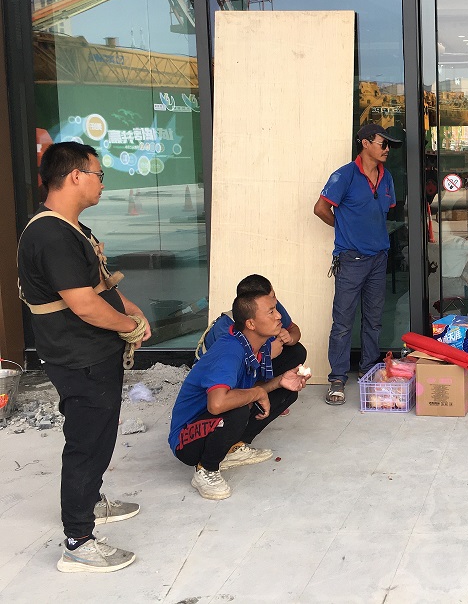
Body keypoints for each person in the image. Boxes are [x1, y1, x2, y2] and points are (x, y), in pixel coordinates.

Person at [16, 141, 151, 573]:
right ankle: (77, 540)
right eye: (99, 175)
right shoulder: (51, 235)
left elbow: (98, 286)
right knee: (87, 443)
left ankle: (89, 500)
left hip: (94, 351)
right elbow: (85, 305)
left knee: (99, 435)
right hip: (79, 356)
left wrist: (130, 310)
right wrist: (128, 326)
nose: (102, 185)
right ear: (76, 175)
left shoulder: (71, 228)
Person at [169, 288, 310, 500]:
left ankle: (232, 449)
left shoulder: (257, 345)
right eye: (271, 312)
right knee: (238, 409)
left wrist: (279, 381)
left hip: (213, 421)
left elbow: (248, 392)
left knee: (285, 392)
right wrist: (257, 392)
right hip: (186, 440)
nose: (279, 316)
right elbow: (217, 404)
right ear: (251, 324)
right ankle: (206, 469)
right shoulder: (229, 351)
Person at [314, 123, 402, 405]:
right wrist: (344, 229)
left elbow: (384, 212)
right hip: (351, 259)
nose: (387, 149)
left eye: (389, 145)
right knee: (343, 322)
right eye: (382, 143)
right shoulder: (345, 175)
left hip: (379, 257)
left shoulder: (386, 177)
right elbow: (320, 208)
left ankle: (368, 369)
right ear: (365, 143)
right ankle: (337, 379)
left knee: (374, 320)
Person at [198, 274, 306, 380]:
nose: (278, 315)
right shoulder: (226, 329)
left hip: (255, 361)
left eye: (274, 296)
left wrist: (290, 338)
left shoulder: (272, 305)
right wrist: (266, 355)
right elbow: (227, 370)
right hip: (221, 374)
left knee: (297, 352)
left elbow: (293, 329)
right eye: (271, 311)